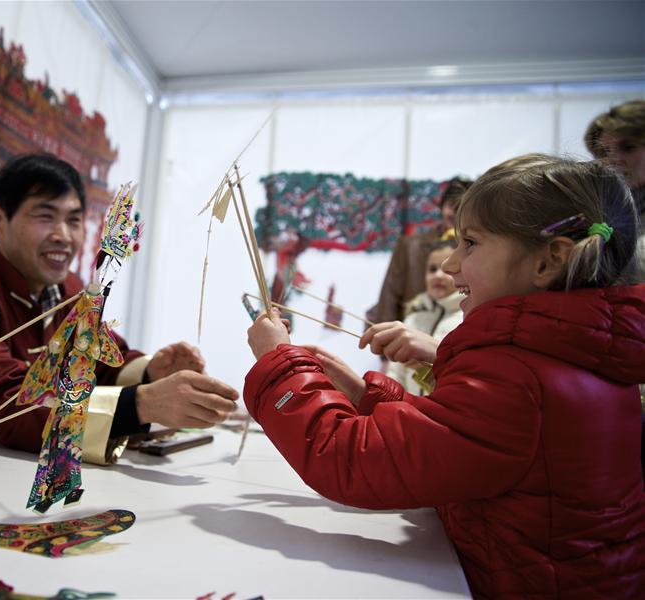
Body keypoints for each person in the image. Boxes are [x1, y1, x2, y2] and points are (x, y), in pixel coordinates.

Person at [244, 154, 645, 598]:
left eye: (470, 244)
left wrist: (279, 361)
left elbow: (349, 461)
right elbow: (453, 445)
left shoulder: (518, 375)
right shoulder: (575, 357)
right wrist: (365, 395)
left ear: (548, 262)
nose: (451, 265)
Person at [0, 153, 238, 463]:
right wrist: (143, 404)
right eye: (45, 216)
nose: (64, 235)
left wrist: (151, 372)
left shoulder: (69, 289)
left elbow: (99, 362)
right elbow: (13, 408)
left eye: (74, 220)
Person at [371, 177, 471, 324]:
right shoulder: (410, 245)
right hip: (413, 324)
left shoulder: (474, 249)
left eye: (461, 209)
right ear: (442, 206)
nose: (455, 215)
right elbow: (390, 294)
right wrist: (382, 335)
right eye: (452, 207)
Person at [382, 239, 462, 395]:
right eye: (432, 269)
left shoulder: (469, 318)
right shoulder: (413, 317)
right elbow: (396, 373)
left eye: (447, 269)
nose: (438, 275)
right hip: (408, 413)